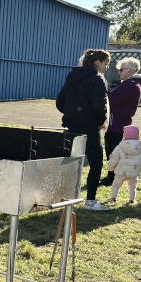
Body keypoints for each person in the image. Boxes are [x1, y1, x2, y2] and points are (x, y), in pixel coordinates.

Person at [57, 48, 111, 211]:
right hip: (90, 128)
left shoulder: (72, 78)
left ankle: (66, 198)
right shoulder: (97, 79)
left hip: (71, 127)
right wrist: (101, 120)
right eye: (106, 63)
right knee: (96, 164)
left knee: (70, 163)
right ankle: (91, 201)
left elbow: (60, 102)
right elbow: (99, 105)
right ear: (97, 63)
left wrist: (72, 114)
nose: (107, 67)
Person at [101, 57, 141, 186]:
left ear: (131, 70)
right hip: (115, 122)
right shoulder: (129, 83)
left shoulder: (132, 85)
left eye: (121, 70)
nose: (119, 72)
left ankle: (113, 177)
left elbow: (113, 99)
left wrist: (103, 90)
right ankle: (112, 176)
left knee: (113, 151)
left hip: (117, 123)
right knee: (111, 150)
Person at [104, 125, 141, 205]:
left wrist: (110, 168)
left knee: (116, 184)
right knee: (132, 186)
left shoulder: (120, 147)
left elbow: (113, 159)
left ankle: (113, 198)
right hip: (134, 172)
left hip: (120, 172)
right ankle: (132, 199)